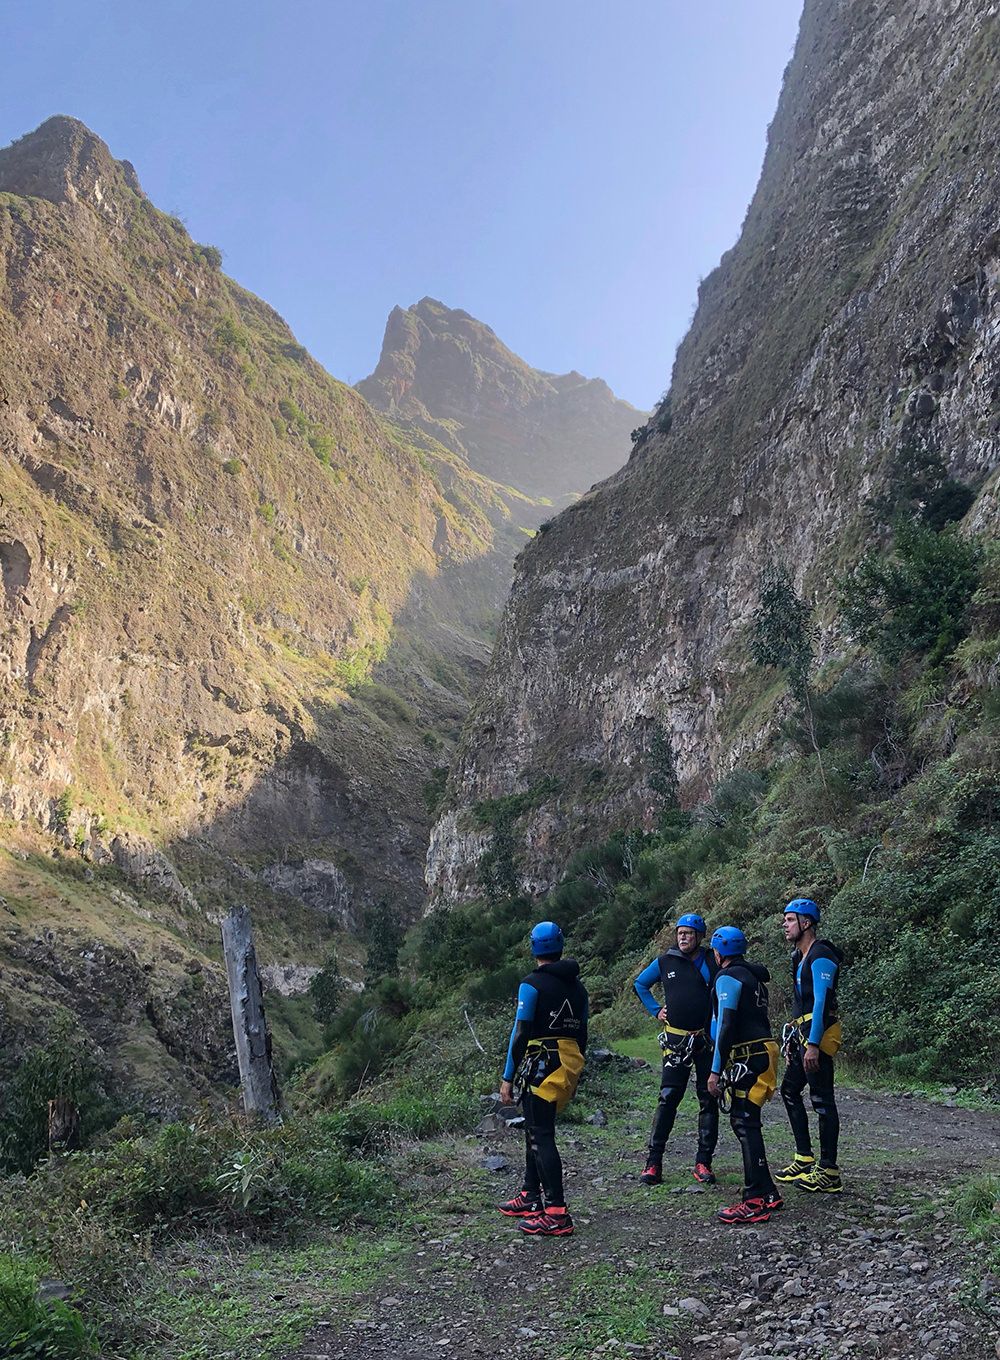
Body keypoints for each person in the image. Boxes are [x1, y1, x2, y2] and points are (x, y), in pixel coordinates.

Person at [497, 921, 589, 1237]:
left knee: (541, 1134)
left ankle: (556, 1212)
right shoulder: (579, 988)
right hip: (568, 1061)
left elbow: (520, 1032)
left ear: (534, 948)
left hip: (543, 1064)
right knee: (535, 1131)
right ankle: (530, 1194)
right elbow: (583, 1032)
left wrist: (507, 1076)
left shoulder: (531, 984)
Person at [633, 912, 718, 1185]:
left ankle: (703, 1162)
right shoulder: (665, 961)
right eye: (680, 933)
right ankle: (653, 1162)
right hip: (676, 1041)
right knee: (668, 1098)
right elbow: (640, 984)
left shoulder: (710, 960)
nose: (683, 937)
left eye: (689, 933)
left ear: (699, 936)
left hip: (705, 1040)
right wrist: (656, 1010)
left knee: (708, 1098)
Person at [706, 926, 781, 1225]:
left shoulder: (727, 977)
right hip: (760, 1051)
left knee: (745, 1121)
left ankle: (753, 1200)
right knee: (745, 1121)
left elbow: (726, 1023)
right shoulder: (751, 976)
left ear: (719, 952)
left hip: (750, 1054)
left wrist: (714, 1070)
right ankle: (768, 1192)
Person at [775, 897, 844, 1193]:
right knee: (789, 1090)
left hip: (820, 1034)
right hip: (802, 1035)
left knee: (822, 1099)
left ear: (806, 923)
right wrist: (793, 1035)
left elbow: (821, 1001)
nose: (785, 925)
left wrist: (813, 1044)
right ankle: (804, 1157)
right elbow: (799, 1002)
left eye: (790, 920)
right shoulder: (798, 958)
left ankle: (829, 1170)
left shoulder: (822, 954)